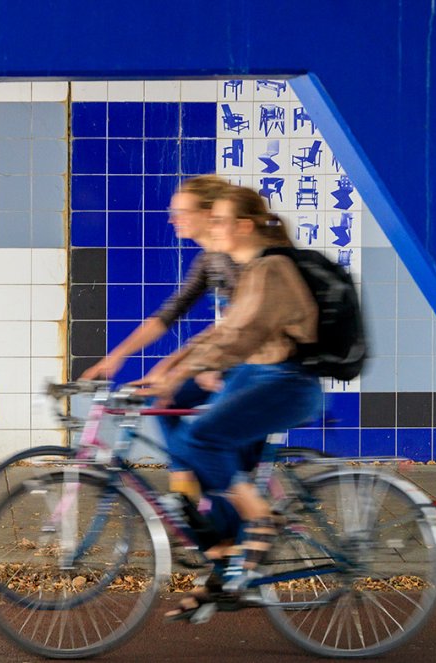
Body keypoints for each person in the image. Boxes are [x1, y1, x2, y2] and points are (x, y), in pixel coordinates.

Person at [135, 185, 324, 619]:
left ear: (241, 227)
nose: (208, 230)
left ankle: (259, 523)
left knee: (198, 442)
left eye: (217, 221)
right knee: (199, 449)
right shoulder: (250, 268)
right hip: (260, 377)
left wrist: (183, 372)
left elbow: (238, 336)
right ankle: (225, 569)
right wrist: (172, 373)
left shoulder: (270, 269)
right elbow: (221, 333)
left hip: (282, 383)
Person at [79, 174, 239, 506]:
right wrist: (117, 355)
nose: (172, 219)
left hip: (254, 362)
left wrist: (171, 366)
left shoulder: (235, 259)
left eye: (182, 211)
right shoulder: (210, 260)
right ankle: (190, 498)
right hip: (231, 356)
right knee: (165, 403)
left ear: (210, 214)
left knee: (208, 438)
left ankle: (221, 512)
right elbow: (168, 315)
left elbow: (235, 329)